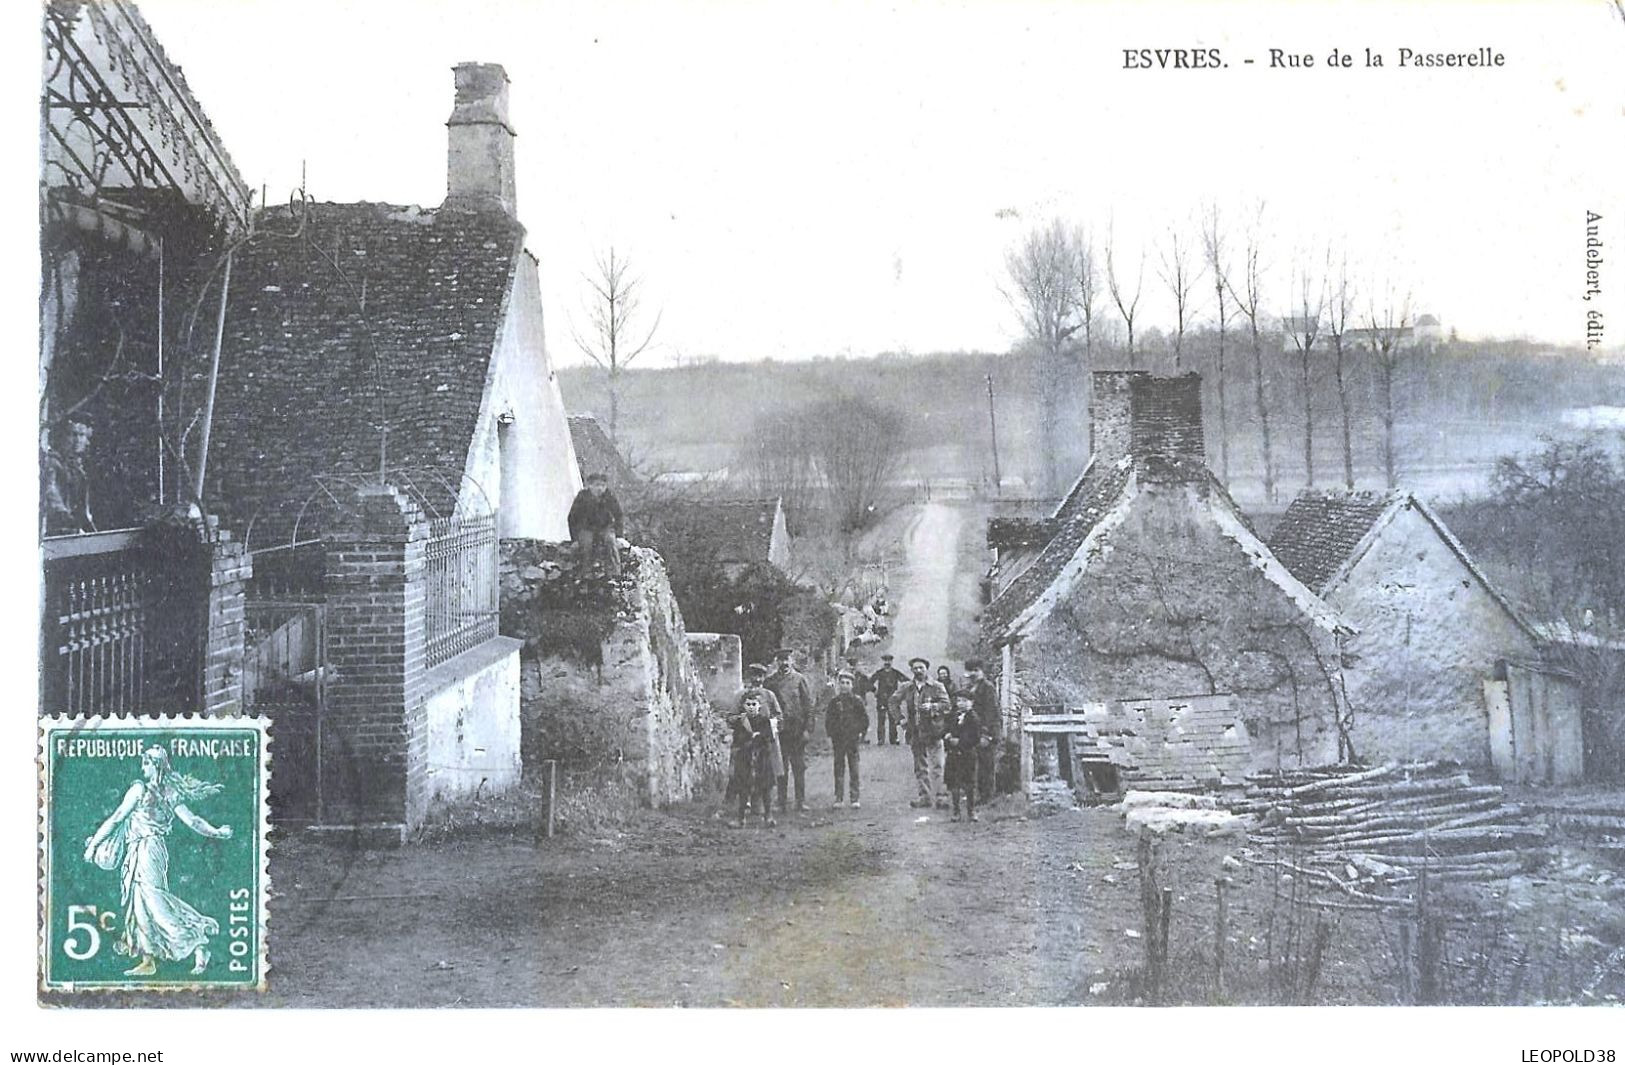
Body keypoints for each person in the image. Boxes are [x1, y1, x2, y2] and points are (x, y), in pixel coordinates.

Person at [82, 746, 232, 976]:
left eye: (145, 763)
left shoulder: (139, 790)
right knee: (142, 902)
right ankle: (148, 958)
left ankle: (196, 940)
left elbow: (116, 819)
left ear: (155, 765)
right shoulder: (170, 792)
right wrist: (217, 832)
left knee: (152, 901)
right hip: (148, 849)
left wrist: (93, 846)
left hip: (147, 850)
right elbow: (193, 821)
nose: (142, 767)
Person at [893, 657, 949, 809]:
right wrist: (900, 720)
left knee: (937, 764)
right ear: (911, 670)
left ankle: (941, 797)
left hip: (934, 730)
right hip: (915, 731)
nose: (918, 671)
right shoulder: (907, 687)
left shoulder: (937, 686)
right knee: (920, 766)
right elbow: (893, 702)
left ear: (927, 669)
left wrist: (933, 706)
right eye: (915, 668)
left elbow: (947, 704)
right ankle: (924, 796)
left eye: (921, 668)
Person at [764, 648, 815, 813]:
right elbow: (766, 706)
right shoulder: (770, 682)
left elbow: (808, 706)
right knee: (781, 767)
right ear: (776, 662)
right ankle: (781, 802)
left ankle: (800, 801)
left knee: (799, 767)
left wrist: (808, 729)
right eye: (780, 660)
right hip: (780, 732)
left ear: (791, 661)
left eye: (787, 659)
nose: (784, 663)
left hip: (797, 731)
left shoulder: (799, 680)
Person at [726, 664, 782, 808]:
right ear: (749, 677)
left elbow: (778, 715)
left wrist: (771, 724)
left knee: (763, 771)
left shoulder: (769, 695)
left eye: (760, 676)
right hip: (745, 740)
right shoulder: (740, 695)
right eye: (754, 676)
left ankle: (758, 803)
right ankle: (736, 803)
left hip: (763, 740)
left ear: (763, 678)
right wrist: (742, 721)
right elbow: (731, 717)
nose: (757, 679)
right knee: (741, 771)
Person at [727, 691, 779, 827]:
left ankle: (768, 816)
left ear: (759, 706)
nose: (751, 707)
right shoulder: (741, 722)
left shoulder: (765, 721)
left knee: (765, 787)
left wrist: (759, 737)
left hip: (762, 758)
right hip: (745, 758)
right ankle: (741, 818)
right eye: (748, 704)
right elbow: (738, 740)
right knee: (744, 788)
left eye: (754, 704)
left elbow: (769, 738)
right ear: (744, 706)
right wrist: (750, 738)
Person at [41, 417, 95, 536]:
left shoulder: (78, 470)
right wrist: (71, 523)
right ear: (62, 437)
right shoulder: (52, 462)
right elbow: (51, 496)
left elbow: (84, 510)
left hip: (72, 530)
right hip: (52, 531)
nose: (77, 440)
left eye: (81, 435)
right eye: (72, 434)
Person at [824, 671, 868, 808]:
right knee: (838, 767)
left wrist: (861, 733)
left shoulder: (857, 701)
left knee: (854, 768)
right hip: (838, 740)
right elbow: (829, 720)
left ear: (852, 685)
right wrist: (831, 734)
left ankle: (854, 798)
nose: (844, 686)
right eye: (842, 683)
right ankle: (839, 798)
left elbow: (864, 719)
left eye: (847, 683)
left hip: (852, 739)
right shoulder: (834, 702)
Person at [566, 472, 624, 577]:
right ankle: (586, 572)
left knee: (610, 541)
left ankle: (615, 573)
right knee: (586, 544)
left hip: (605, 527)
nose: (600, 488)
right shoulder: (582, 497)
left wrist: (619, 535)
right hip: (586, 528)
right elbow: (572, 518)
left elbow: (619, 515)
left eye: (603, 485)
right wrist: (574, 539)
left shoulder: (609, 496)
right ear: (590, 485)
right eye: (597, 485)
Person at [960, 659, 1002, 804]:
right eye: (970, 670)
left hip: (987, 731)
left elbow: (991, 713)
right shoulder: (971, 687)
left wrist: (986, 734)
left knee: (986, 764)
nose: (973, 673)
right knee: (975, 763)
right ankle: (978, 794)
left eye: (976, 670)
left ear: (982, 671)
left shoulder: (987, 687)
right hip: (974, 731)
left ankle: (987, 796)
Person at [943, 692, 987, 822]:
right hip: (953, 754)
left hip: (968, 754)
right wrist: (947, 736)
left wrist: (960, 742)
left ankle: (971, 811)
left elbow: (975, 737)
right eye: (959, 701)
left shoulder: (974, 718)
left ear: (971, 702)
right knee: (954, 783)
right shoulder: (953, 716)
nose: (960, 703)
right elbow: (946, 729)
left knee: (969, 783)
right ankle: (956, 811)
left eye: (964, 701)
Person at [869, 654, 908, 746]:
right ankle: (881, 739)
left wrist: (901, 693)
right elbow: (869, 682)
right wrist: (874, 690)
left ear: (891, 662)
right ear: (883, 662)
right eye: (885, 661)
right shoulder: (879, 673)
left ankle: (893, 739)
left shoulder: (895, 673)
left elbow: (906, 681)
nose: (887, 662)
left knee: (893, 719)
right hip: (881, 699)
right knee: (881, 720)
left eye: (889, 661)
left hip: (893, 700)